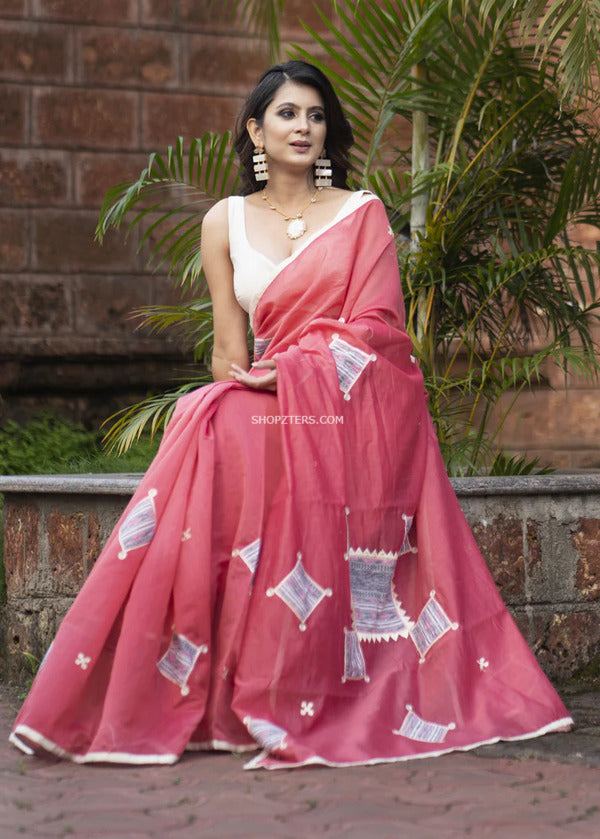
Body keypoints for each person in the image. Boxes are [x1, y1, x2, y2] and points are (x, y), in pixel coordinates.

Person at [10, 61, 571, 769]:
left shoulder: (361, 213)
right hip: (264, 396)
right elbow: (225, 348)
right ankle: (179, 687)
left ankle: (299, 682)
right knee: (208, 415)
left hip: (347, 411)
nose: (303, 127)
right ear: (255, 130)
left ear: (327, 129)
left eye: (314, 115)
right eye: (286, 114)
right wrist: (252, 383)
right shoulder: (225, 221)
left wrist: (302, 374)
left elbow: (383, 334)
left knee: (230, 426)